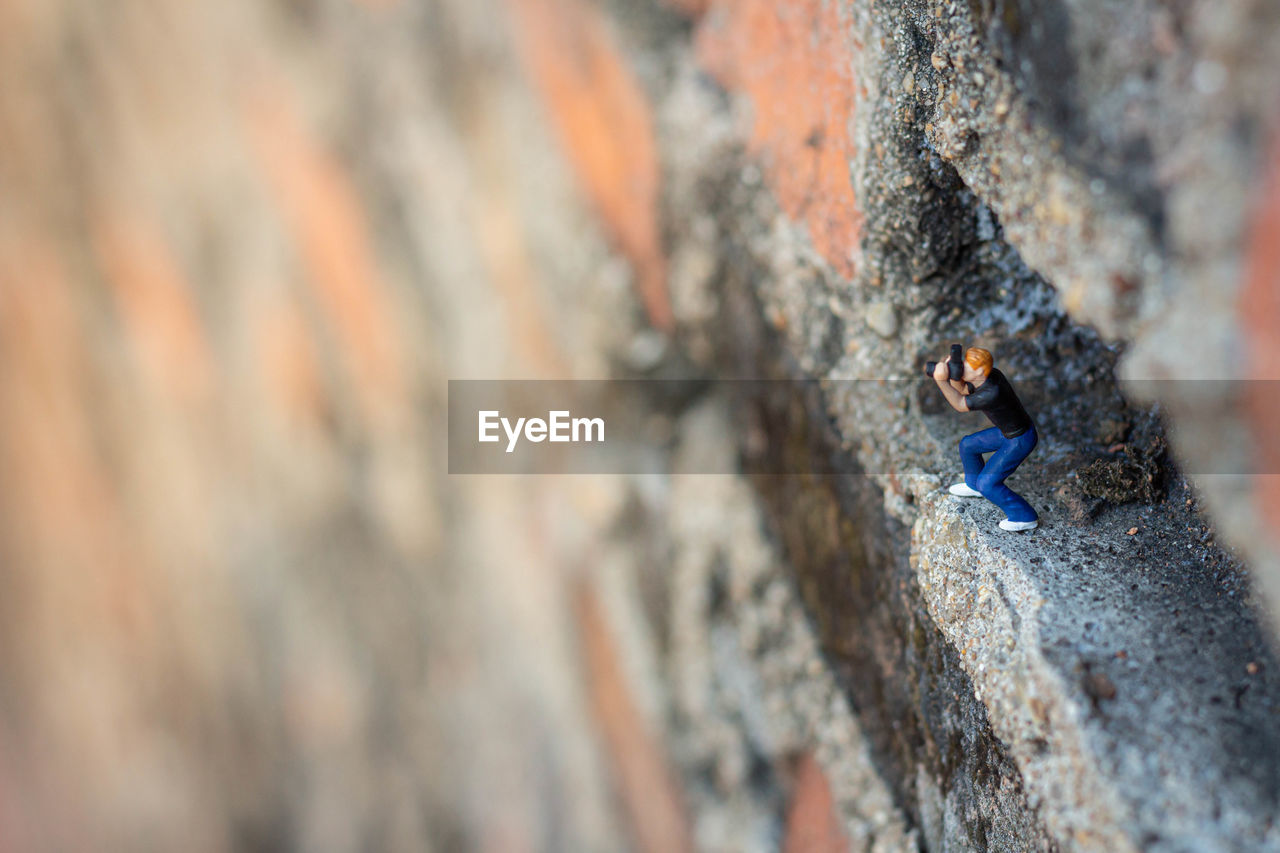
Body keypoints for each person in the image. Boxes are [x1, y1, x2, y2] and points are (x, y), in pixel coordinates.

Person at [931, 347, 1039, 531]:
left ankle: (1024, 516)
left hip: (1020, 439)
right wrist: (955, 376)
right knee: (968, 445)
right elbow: (964, 389)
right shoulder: (991, 375)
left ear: (979, 371)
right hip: (1007, 432)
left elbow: (960, 404)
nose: (963, 368)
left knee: (987, 484)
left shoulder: (991, 392)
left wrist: (941, 381)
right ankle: (973, 486)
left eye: (967, 367)